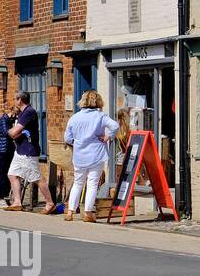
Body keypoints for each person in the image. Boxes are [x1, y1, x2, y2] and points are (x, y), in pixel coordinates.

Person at [64, 90, 119, 222]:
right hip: (96, 154)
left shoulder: (75, 117)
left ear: (83, 101)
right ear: (98, 101)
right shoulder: (100, 116)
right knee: (92, 183)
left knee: (78, 183)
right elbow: (115, 126)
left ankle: (70, 212)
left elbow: (67, 138)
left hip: (79, 155)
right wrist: (107, 137)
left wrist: (77, 142)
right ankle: (88, 212)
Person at [6, 92, 51, 213]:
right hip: (20, 150)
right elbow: (16, 134)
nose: (14, 101)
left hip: (29, 151)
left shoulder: (29, 112)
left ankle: (50, 203)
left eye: (15, 99)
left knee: (36, 178)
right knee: (12, 174)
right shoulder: (22, 113)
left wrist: (11, 132)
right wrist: (15, 134)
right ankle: (17, 202)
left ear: (20, 100)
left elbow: (13, 132)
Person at [0, 108, 15, 208]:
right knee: (3, 174)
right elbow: (8, 133)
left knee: (8, 175)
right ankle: (0, 198)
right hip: (3, 150)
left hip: (7, 150)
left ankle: (5, 197)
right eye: (17, 114)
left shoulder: (8, 120)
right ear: (13, 112)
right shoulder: (3, 120)